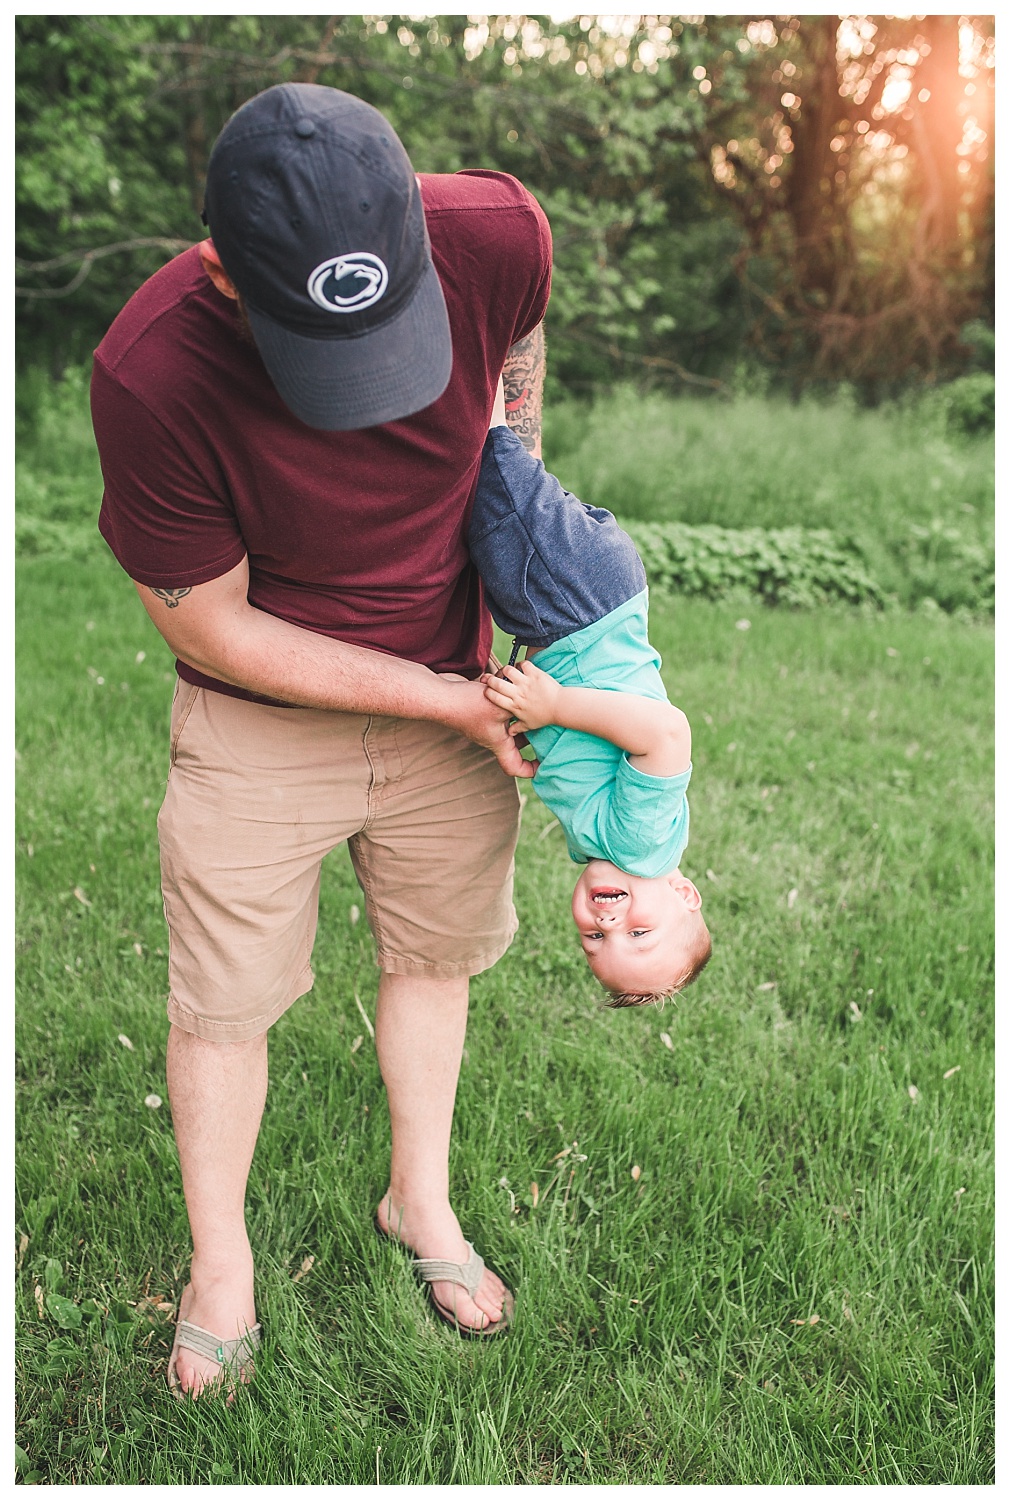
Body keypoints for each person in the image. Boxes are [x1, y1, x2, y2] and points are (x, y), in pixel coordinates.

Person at [90, 82, 552, 1393]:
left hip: (455, 680)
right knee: (225, 1001)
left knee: (435, 951)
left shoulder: (498, 234)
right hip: (262, 720)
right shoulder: (150, 370)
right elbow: (213, 630)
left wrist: (514, 484)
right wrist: (443, 698)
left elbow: (518, 346)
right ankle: (221, 1263)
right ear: (224, 271)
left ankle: (420, 1199)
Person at [470, 394, 712, 1007]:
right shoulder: (639, 843)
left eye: (594, 942)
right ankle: (481, 364)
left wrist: (535, 729)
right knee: (489, 467)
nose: (607, 927)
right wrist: (553, 709)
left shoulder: (604, 846)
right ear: (685, 894)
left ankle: (479, 376)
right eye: (639, 933)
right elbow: (667, 735)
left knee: (488, 487)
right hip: (582, 608)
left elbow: (589, 754)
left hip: (575, 609)